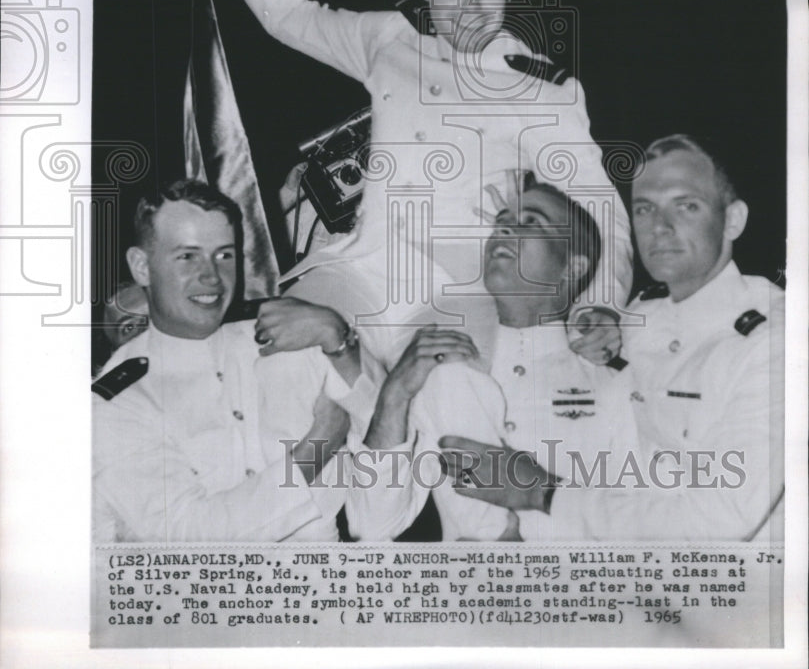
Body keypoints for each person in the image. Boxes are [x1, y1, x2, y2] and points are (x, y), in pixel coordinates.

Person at [207, 0, 632, 368]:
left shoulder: (539, 88)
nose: (473, 8)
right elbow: (291, 16)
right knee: (281, 358)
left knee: (454, 403)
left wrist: (600, 305)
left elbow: (598, 204)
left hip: (460, 293)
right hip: (360, 272)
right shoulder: (390, 40)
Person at [440, 135, 785, 541]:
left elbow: (720, 520)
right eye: (645, 209)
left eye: (687, 206)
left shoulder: (776, 340)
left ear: (732, 220)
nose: (661, 228)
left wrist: (539, 491)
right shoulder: (643, 315)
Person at [347, 174, 636, 541]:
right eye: (501, 224)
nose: (505, 231)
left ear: (573, 267)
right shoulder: (437, 371)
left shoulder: (614, 386)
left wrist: (540, 490)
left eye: (532, 223)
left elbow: (647, 527)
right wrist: (394, 395)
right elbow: (370, 524)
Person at [92, 179, 379, 542]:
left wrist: (341, 343)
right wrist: (320, 442)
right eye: (187, 256)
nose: (211, 276)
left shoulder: (287, 338)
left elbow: (385, 497)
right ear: (142, 267)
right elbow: (190, 537)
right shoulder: (116, 399)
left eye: (224, 255)